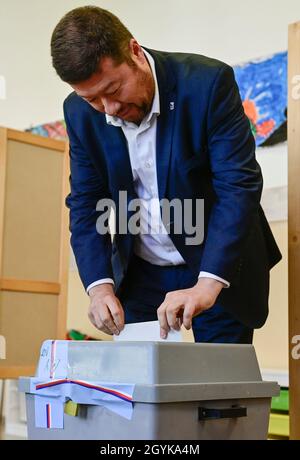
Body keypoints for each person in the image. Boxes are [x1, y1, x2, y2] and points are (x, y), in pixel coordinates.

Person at [51, 6, 282, 343]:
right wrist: (99, 288)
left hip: (215, 259)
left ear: (134, 52)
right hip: (140, 269)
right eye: (93, 99)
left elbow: (238, 186)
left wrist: (207, 284)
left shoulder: (207, 84)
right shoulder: (78, 113)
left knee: (219, 387)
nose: (109, 109)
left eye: (114, 90)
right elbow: (87, 204)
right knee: (137, 389)